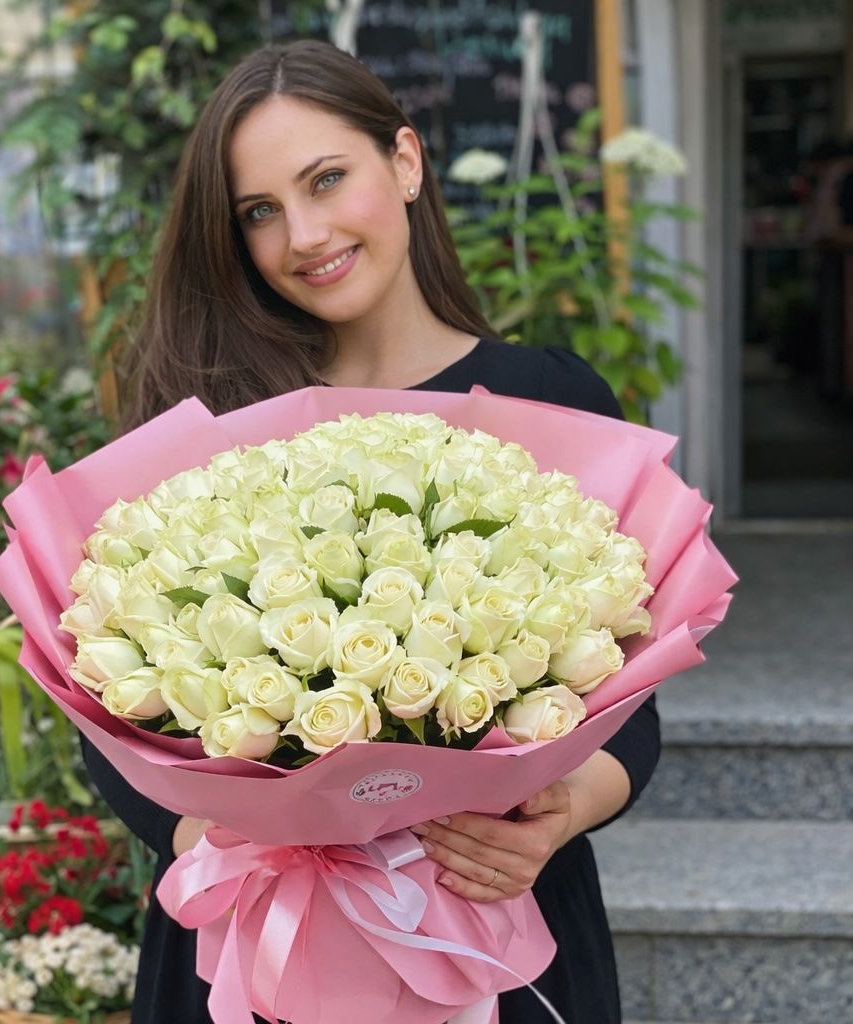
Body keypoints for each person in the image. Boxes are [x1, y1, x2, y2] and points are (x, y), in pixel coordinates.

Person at [82, 38, 660, 1024]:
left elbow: (630, 701)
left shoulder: (550, 401)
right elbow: (104, 707)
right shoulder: (212, 422)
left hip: (494, 920)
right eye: (259, 212)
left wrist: (561, 813)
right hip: (260, 935)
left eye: (325, 180)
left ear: (405, 161)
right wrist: (235, 847)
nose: (303, 235)